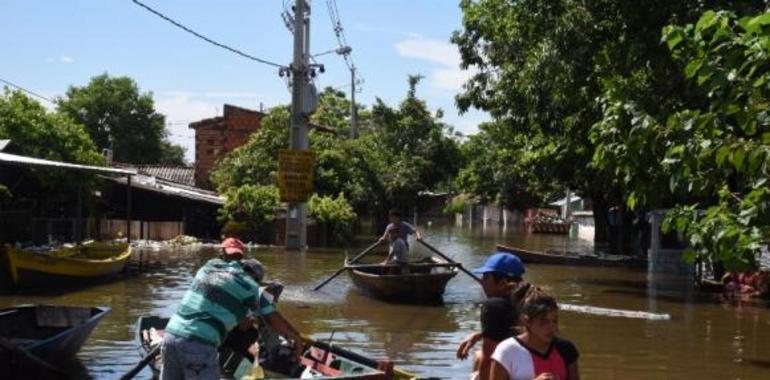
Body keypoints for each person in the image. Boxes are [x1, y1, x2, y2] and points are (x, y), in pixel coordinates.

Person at [160, 256, 304, 380]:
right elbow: (274, 320)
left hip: (171, 335)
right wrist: (297, 337)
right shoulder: (249, 288)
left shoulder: (209, 268)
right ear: (256, 279)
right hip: (199, 343)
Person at [457, 252, 529, 380]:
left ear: (502, 282)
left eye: (486, 277)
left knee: (480, 357)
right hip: (531, 369)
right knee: (479, 355)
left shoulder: (492, 306)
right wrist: (481, 334)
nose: (481, 282)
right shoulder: (528, 300)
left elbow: (489, 357)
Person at [490, 289, 580, 380]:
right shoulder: (507, 351)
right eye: (544, 322)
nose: (552, 327)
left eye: (554, 321)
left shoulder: (566, 349)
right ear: (527, 322)